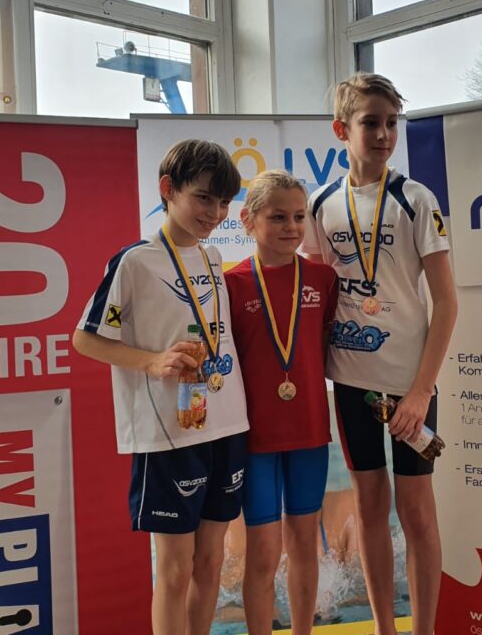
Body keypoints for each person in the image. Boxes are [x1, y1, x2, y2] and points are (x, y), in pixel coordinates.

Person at [302, 72, 458, 635]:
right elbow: (314, 292)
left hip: (410, 383)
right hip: (351, 380)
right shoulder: (320, 204)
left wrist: (421, 391)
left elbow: (447, 302)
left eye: (392, 123)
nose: (384, 134)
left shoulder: (416, 199)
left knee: (416, 510)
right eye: (371, 123)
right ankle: (385, 629)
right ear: (341, 129)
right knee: (370, 503)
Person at [72, 139, 248, 635]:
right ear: (168, 189)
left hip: (226, 423)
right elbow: (85, 338)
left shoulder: (213, 258)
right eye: (203, 198)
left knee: (212, 562)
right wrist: (150, 362)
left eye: (223, 202)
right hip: (169, 434)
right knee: (174, 570)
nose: (215, 213)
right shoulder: (134, 261)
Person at [225, 170, 339, 635]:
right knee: (263, 554)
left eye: (298, 216)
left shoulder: (323, 278)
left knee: (306, 545)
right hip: (255, 440)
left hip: (309, 433)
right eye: (277, 217)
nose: (291, 227)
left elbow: (324, 344)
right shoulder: (231, 285)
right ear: (248, 220)